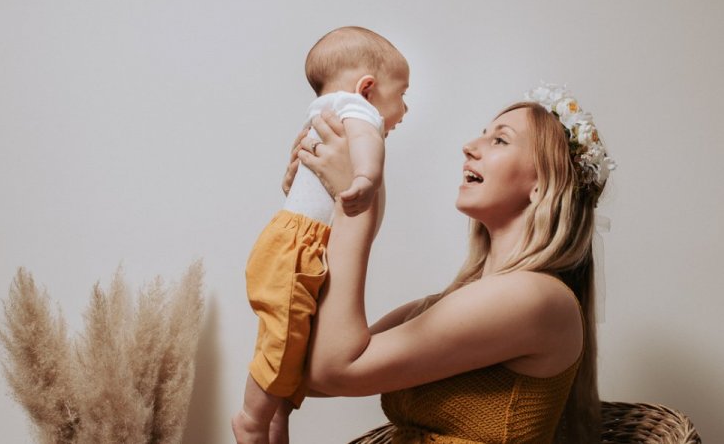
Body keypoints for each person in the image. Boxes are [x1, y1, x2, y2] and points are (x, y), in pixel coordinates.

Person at [288, 83, 615, 443]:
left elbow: (332, 370)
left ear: (542, 184)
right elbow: (301, 373)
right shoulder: (449, 303)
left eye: (500, 140)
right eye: (483, 134)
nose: (469, 147)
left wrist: (354, 209)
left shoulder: (538, 297)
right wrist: (321, 200)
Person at [233, 26, 409, 444]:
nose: (405, 109)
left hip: (297, 243)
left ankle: (273, 422)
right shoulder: (356, 111)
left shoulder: (323, 113)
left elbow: (296, 173)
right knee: (282, 341)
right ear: (367, 88)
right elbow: (368, 141)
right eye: (402, 94)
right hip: (300, 246)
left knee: (292, 349)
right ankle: (250, 420)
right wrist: (365, 177)